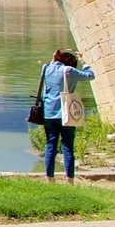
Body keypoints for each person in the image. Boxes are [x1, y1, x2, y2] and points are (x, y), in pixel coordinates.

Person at [39, 49, 95, 180]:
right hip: (66, 114)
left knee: (50, 146)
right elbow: (90, 76)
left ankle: (49, 178)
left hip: (48, 113)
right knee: (67, 147)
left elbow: (51, 65)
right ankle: (70, 179)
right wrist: (84, 62)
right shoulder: (69, 71)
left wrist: (55, 58)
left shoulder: (46, 69)